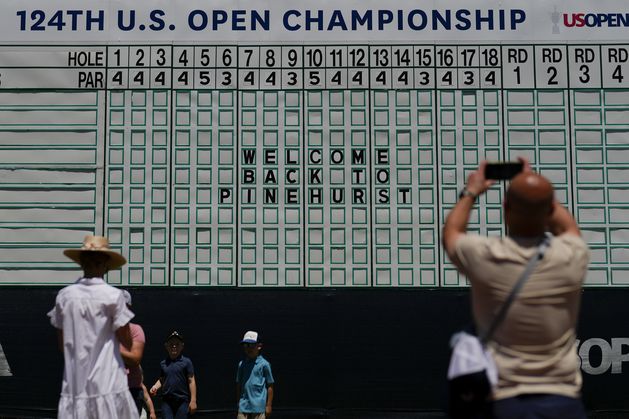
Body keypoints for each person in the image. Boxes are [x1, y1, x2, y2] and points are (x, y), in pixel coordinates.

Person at [442, 158, 589, 419]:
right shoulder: (573, 256)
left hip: (506, 402)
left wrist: (471, 192)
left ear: (505, 208)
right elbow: (568, 227)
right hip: (564, 401)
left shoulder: (486, 256)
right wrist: (537, 192)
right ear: (550, 209)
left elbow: (452, 233)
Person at [47, 235, 138, 418]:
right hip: (108, 381)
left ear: (81, 263)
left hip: (75, 383)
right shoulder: (114, 296)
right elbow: (127, 341)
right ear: (106, 265)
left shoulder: (64, 297)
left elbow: (62, 345)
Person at [149, 331, 197, 418]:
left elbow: (191, 381)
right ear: (166, 346)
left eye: (177, 344)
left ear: (182, 346)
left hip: (182, 401)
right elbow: (162, 379)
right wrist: (155, 387)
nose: (174, 346)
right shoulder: (163, 363)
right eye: (171, 344)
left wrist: (193, 400)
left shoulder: (187, 362)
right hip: (166, 402)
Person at [119, 290, 147, 414]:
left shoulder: (136, 330)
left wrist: (110, 348)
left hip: (132, 390)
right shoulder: (105, 330)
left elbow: (135, 359)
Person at [236, 331, 274, 419]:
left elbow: (270, 385)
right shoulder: (241, 364)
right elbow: (238, 384)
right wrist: (238, 402)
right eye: (245, 345)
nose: (248, 348)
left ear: (259, 346)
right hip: (243, 407)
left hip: (259, 408)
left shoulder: (265, 364)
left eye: (251, 345)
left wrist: (268, 405)